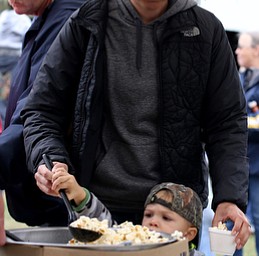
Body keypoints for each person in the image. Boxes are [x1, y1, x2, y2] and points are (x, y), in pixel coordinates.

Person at [21, 0, 251, 250]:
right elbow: (41, 110)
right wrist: (51, 161)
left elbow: (227, 123)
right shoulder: (87, 21)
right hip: (92, 207)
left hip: (174, 213)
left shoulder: (205, 29)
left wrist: (229, 198)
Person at [0, 0, 85, 227]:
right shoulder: (46, 15)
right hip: (47, 197)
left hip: (65, 200)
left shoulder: (67, 18)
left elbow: (37, 112)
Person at [49, 165, 204, 255]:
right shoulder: (130, 246)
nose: (153, 222)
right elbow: (104, 229)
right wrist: (81, 196)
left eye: (166, 218)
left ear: (188, 234)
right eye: (148, 215)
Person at [235, 31, 259, 255]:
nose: (237, 51)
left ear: (257, 49)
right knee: (234, 221)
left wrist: (239, 123)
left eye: (242, 47)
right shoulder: (238, 78)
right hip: (237, 164)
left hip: (258, 166)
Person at [0, 4, 31, 126]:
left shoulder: (3, 16)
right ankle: (8, 124)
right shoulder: (23, 18)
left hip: (1, 57)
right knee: (11, 93)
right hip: (15, 58)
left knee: (2, 94)